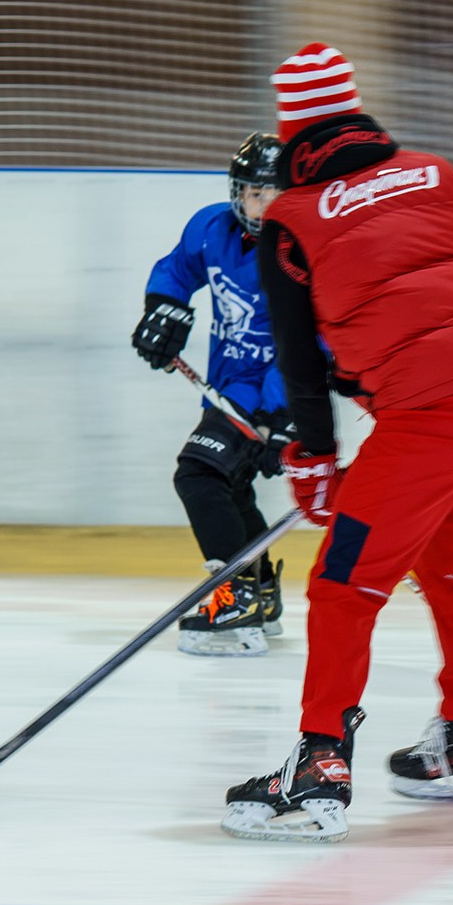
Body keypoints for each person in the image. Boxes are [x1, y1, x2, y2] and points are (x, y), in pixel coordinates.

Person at [220, 43, 453, 842]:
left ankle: (317, 768)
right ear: (355, 111)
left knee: (344, 584)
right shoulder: (433, 173)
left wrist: (314, 456)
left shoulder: (292, 219)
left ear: (292, 130)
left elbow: (299, 358)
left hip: (434, 419)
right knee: (447, 562)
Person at [131, 133, 296, 657]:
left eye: (274, 195)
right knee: (232, 486)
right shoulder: (211, 228)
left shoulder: (303, 255)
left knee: (198, 476)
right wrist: (164, 309)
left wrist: (278, 412)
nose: (262, 206)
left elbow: (309, 344)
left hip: (272, 387)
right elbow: (177, 269)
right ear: (236, 193)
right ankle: (260, 592)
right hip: (228, 384)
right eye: (254, 193)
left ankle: (234, 598)